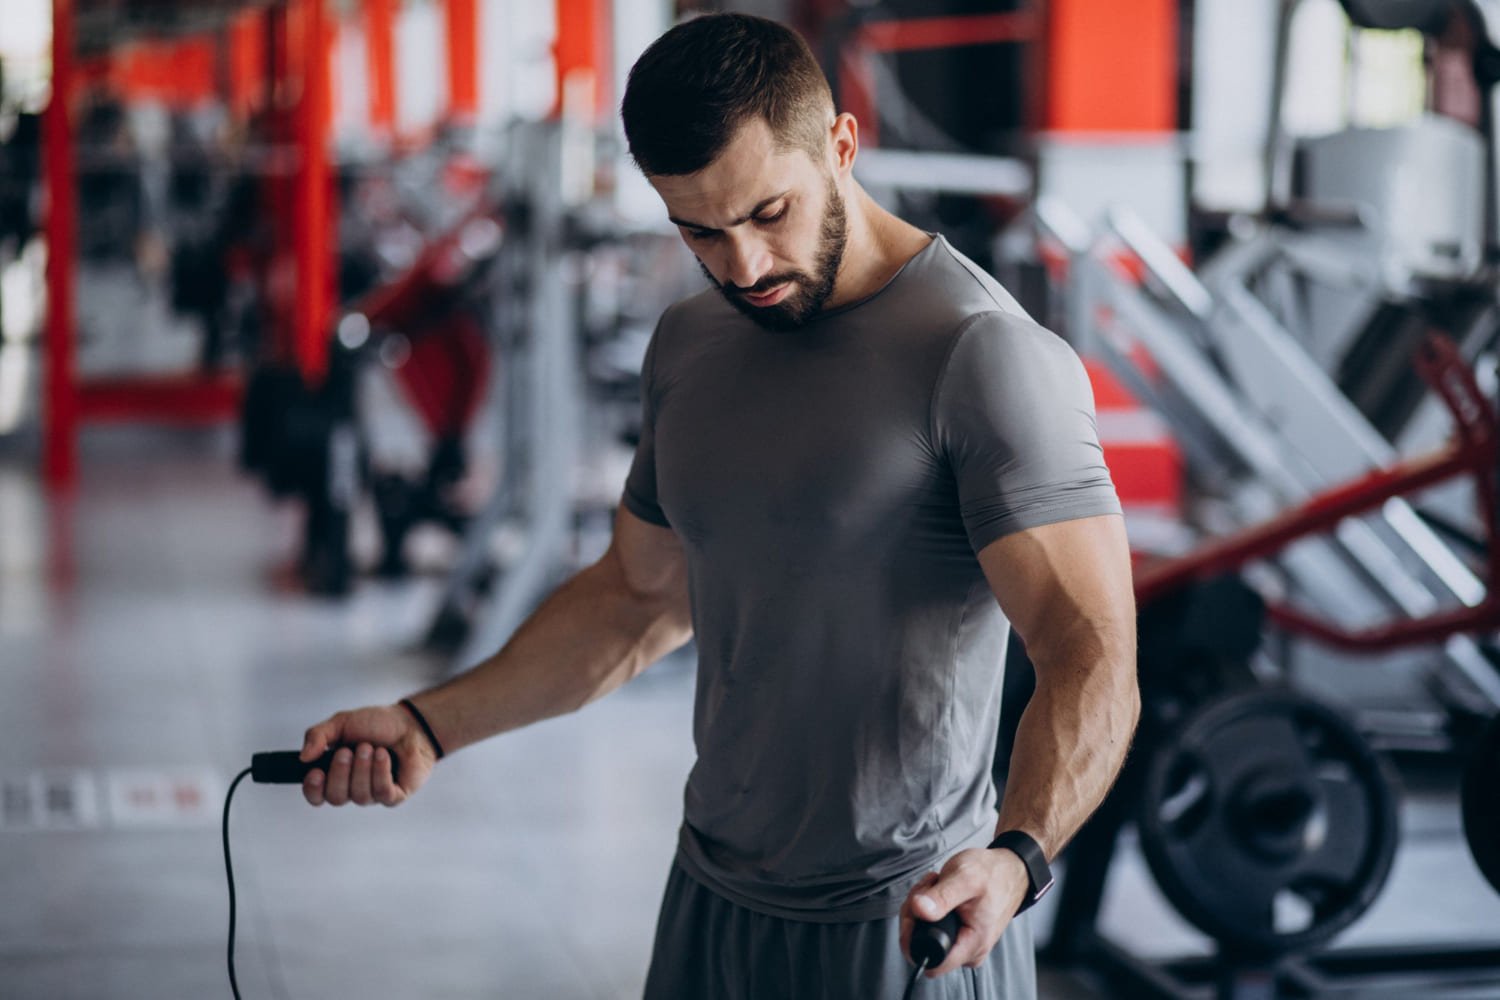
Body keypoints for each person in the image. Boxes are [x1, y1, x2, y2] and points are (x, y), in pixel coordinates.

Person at [298, 13, 1138, 999]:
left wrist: (1016, 859)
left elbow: (1092, 655)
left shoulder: (982, 355)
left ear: (840, 145)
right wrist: (428, 725)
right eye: (699, 229)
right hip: (709, 901)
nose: (742, 266)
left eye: (767, 213)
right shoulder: (691, 343)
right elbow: (637, 600)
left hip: (908, 920)